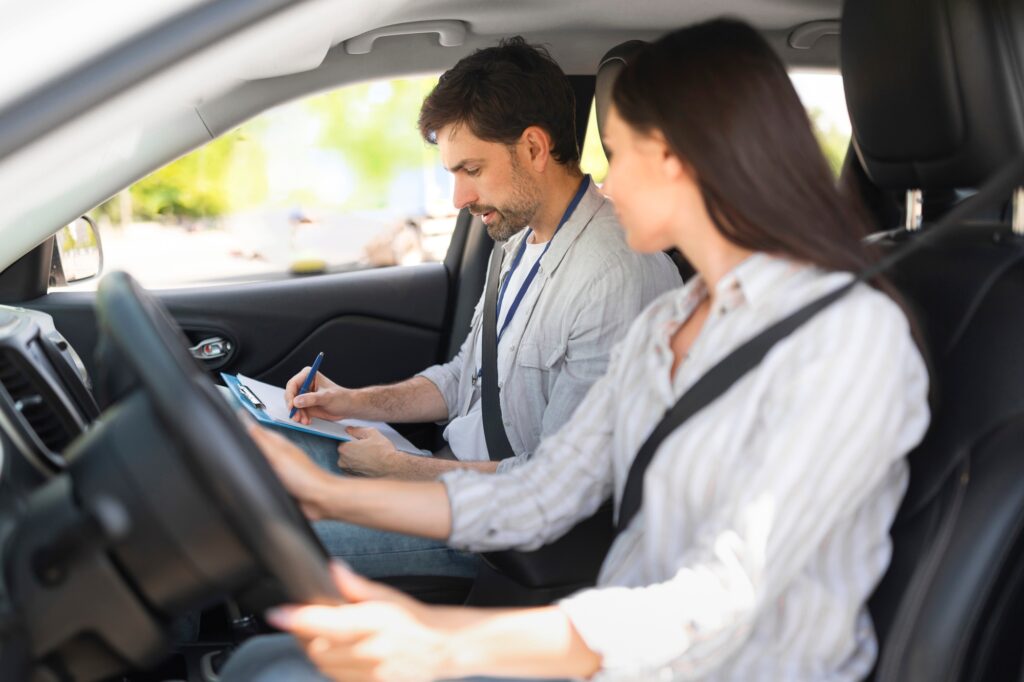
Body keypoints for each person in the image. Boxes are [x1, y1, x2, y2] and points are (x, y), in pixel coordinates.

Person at [223, 18, 930, 681]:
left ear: (683, 159)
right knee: (266, 664)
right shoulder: (674, 322)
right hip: (617, 654)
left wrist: (443, 640)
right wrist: (326, 494)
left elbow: (718, 597)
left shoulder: (846, 337)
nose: (608, 183)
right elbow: (544, 490)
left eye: (620, 156)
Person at [277, 37, 680, 579]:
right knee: (264, 465)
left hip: (498, 539)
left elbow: (555, 482)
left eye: (471, 169)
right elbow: (463, 377)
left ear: (535, 149)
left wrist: (402, 469)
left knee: (272, 536)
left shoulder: (615, 276)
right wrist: (349, 402)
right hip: (448, 482)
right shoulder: (517, 242)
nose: (458, 200)